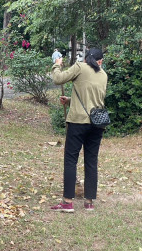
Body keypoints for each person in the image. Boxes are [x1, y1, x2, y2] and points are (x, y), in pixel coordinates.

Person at [50, 48, 107, 212]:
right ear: (100, 61)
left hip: (78, 122)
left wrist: (57, 64)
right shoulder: (103, 75)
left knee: (70, 160)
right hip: (97, 123)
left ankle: (68, 202)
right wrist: (69, 100)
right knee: (91, 161)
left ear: (86, 58)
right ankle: (89, 202)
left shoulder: (80, 67)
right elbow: (93, 99)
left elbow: (58, 79)